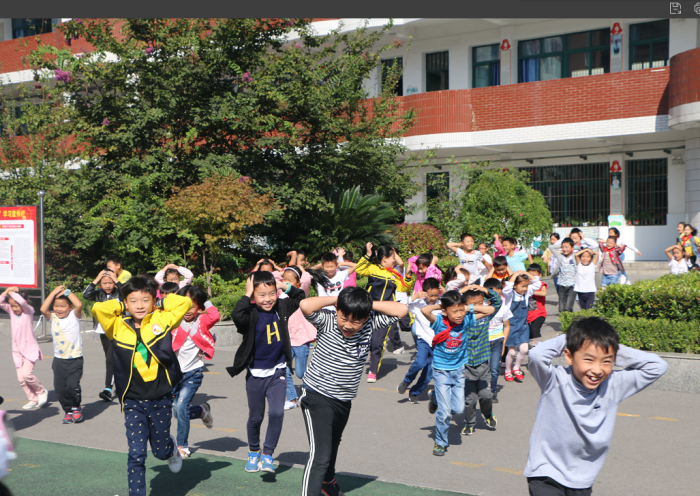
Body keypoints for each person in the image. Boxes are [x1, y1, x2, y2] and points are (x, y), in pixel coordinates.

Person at [524, 316, 668, 495]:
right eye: (589, 360)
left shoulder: (614, 385)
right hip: (546, 473)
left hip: (583, 479)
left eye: (606, 361)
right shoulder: (554, 380)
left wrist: (608, 348)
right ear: (568, 356)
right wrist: (573, 339)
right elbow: (537, 355)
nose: (597, 370)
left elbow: (658, 366)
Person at [298, 287, 407, 496]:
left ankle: (327, 483)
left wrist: (366, 305)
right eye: (344, 317)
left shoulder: (370, 322)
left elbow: (401, 310)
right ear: (337, 310)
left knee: (333, 443)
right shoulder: (328, 321)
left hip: (344, 399)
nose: (348, 325)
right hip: (317, 395)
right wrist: (340, 302)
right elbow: (305, 305)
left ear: (365, 318)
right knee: (320, 454)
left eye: (356, 320)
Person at [92, 276, 192, 495]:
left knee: (159, 450)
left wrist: (161, 302)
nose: (139, 305)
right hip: (133, 400)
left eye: (145, 300)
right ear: (126, 303)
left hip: (161, 397)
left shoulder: (162, 319)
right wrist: (120, 304)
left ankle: (171, 449)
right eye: (133, 300)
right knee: (136, 453)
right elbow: (99, 308)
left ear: (153, 301)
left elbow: (184, 303)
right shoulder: (116, 325)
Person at [228, 271, 305, 474]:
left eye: (271, 293)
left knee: (277, 412)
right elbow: (237, 315)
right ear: (253, 295)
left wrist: (283, 286)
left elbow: (300, 297)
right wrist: (247, 294)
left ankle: (268, 455)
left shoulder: (281, 306)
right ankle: (254, 451)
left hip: (277, 371)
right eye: (262, 295)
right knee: (256, 417)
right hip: (255, 374)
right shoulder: (251, 313)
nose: (268, 299)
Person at [422, 290, 496, 455]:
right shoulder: (439, 321)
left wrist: (466, 308)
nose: (459, 314)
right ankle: (440, 442)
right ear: (444, 311)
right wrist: (443, 306)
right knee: (445, 412)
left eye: (461, 310)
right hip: (441, 371)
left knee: (458, 409)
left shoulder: (467, 320)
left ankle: (434, 396)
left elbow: (490, 310)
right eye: (454, 311)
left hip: (458, 370)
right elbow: (425, 311)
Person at [171, 285, 219, 459]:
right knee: (176, 410)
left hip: (193, 373)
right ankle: (200, 411)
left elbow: (215, 315)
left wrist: (205, 299)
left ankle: (182, 445)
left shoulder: (202, 320)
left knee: (181, 406)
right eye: (184, 305)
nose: (188, 310)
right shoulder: (173, 320)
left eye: (192, 305)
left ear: (199, 306)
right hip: (174, 373)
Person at [355, 242, 413, 383]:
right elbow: (359, 269)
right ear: (384, 258)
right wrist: (368, 254)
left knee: (377, 342)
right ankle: (367, 357)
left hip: (385, 314)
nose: (395, 260)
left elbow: (404, 288)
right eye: (393, 257)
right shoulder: (373, 269)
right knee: (363, 340)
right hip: (368, 311)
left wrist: (409, 276)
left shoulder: (395, 274)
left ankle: (373, 371)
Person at [280, 265, 329, 411]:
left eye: (290, 280)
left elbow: (306, 278)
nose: (286, 282)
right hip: (286, 342)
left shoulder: (301, 294)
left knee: (301, 373)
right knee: (285, 370)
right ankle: (292, 399)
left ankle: (314, 390)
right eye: (284, 279)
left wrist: (298, 264)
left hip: (301, 341)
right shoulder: (279, 297)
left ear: (298, 283)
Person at [459, 285, 502, 436]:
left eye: (480, 303)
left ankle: (488, 414)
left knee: (486, 396)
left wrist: (484, 290)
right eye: (473, 304)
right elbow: (449, 305)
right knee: (469, 400)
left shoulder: (486, 316)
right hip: (466, 366)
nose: (477, 307)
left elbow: (497, 303)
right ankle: (469, 423)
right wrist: (461, 292)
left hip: (483, 363)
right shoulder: (461, 319)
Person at [40, 285, 84, 423]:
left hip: (75, 359)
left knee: (72, 386)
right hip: (59, 360)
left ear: (69, 307)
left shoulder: (74, 316)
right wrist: (53, 293)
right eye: (56, 306)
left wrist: (67, 292)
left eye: (63, 306)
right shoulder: (53, 317)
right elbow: (43, 309)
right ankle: (68, 410)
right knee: (60, 389)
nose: (59, 309)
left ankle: (76, 406)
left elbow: (79, 304)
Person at [0, 287, 47, 410]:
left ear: (24, 302)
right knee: (21, 379)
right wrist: (6, 291)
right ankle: (33, 399)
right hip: (17, 352)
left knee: (27, 375)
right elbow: (0, 302)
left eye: (16, 306)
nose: (14, 309)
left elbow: (20, 302)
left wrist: (11, 293)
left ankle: (41, 391)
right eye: (12, 306)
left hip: (29, 350)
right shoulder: (11, 311)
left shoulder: (28, 311)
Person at [397, 277, 441, 403]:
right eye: (431, 295)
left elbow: (457, 303)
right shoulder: (418, 303)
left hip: (437, 343)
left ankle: (414, 392)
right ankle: (407, 381)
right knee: (420, 363)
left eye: (436, 295)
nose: (433, 298)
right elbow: (401, 304)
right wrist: (414, 296)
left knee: (429, 372)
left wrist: (447, 291)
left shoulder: (441, 304)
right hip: (423, 340)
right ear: (425, 292)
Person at [83, 269, 122, 401]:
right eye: (104, 283)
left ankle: (110, 388)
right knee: (110, 358)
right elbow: (85, 295)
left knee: (116, 358)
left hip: (118, 329)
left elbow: (128, 294)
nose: (107, 286)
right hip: (103, 331)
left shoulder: (119, 292)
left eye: (110, 283)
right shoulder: (98, 293)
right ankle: (110, 388)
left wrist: (117, 280)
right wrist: (97, 278)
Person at [503, 271, 542, 383]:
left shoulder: (527, 293)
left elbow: (537, 284)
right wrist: (515, 275)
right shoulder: (509, 294)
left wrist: (525, 273)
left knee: (524, 350)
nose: (525, 288)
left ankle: (516, 368)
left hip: (523, 326)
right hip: (511, 326)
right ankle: (508, 370)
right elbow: (507, 287)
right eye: (522, 286)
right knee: (511, 352)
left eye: (526, 286)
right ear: (515, 285)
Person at [482, 278, 512, 403]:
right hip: (482, 342)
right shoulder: (480, 307)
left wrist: (504, 343)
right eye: (492, 293)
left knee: (494, 369)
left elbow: (507, 326)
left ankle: (493, 392)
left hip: (497, 341)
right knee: (482, 369)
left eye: (498, 293)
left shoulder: (503, 308)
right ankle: (482, 390)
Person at [548, 238, 577, 312]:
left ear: (572, 248)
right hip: (561, 285)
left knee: (568, 307)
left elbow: (583, 250)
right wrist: (561, 246)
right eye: (563, 247)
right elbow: (551, 247)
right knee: (561, 309)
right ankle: (564, 322)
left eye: (567, 247)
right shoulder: (560, 256)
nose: (564, 249)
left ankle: (570, 322)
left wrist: (576, 247)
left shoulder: (575, 256)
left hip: (572, 286)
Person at [526, 264, 548, 345]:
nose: (531, 277)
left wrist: (531, 292)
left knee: (535, 330)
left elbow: (544, 293)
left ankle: (540, 346)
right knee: (528, 333)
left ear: (540, 275)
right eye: (529, 275)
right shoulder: (526, 285)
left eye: (534, 275)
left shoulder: (541, 284)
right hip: (527, 315)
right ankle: (532, 348)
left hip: (539, 314)